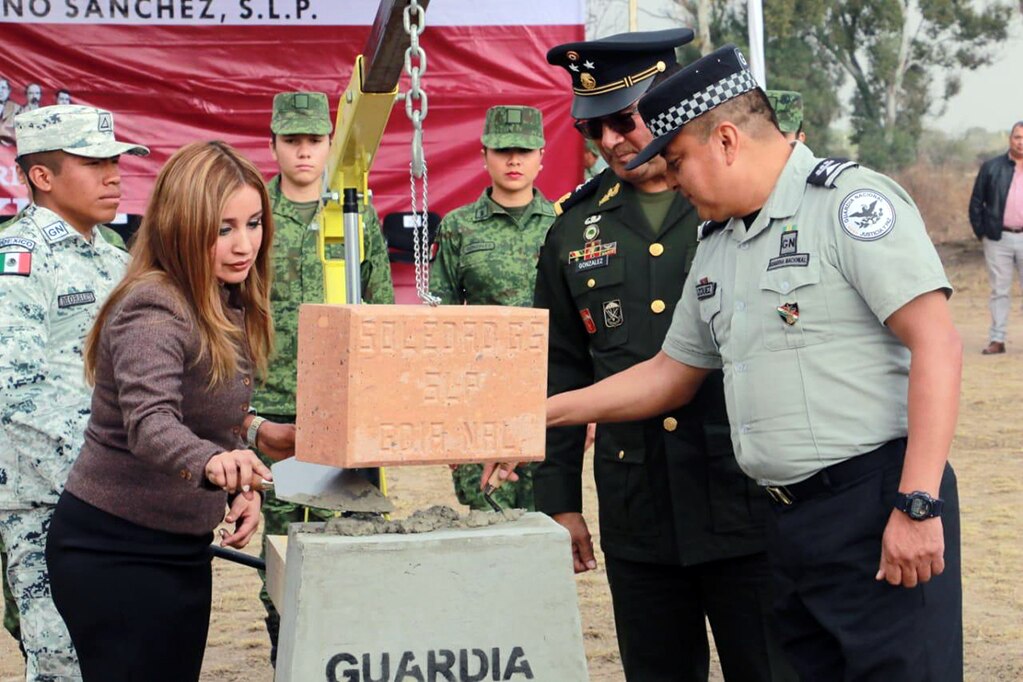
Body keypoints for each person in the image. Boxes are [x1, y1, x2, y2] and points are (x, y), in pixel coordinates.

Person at [492, 44, 963, 680]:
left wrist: (917, 503)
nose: (675, 180)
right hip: (785, 524)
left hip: (874, 505)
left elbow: (937, 343)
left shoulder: (847, 206)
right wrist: (538, 415)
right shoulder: (722, 242)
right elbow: (670, 373)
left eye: (679, 161)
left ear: (727, 140)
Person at [530, 30, 793, 681]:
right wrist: (559, 499)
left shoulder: (731, 201)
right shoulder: (572, 228)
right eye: (595, 129)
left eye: (627, 118)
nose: (614, 140)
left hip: (744, 495)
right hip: (636, 504)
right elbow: (560, 364)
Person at [45, 140, 290, 681]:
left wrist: (240, 470)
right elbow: (151, 422)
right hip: (115, 551)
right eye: (223, 228)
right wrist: (212, 465)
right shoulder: (154, 305)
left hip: (177, 546)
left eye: (253, 223)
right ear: (181, 224)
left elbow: (199, 411)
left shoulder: (220, 296)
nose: (243, 244)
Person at [0, 104, 147, 681]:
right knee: (63, 660)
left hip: (114, 496)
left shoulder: (114, 259)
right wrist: (103, 471)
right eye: (93, 163)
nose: (114, 175)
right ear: (42, 176)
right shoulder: (19, 262)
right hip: (45, 499)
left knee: (119, 651)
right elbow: (11, 392)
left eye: (115, 160)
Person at [252, 90, 395, 664]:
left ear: (330, 144)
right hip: (276, 415)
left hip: (346, 415)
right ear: (274, 145)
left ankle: (347, 662)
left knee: (355, 548)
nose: (305, 153)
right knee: (281, 561)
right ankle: (286, 661)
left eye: (315, 140)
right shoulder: (250, 216)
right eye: (293, 141)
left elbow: (380, 311)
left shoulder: (354, 212)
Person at [431, 104, 555, 511]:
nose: (514, 159)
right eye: (503, 150)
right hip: (477, 396)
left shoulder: (563, 224)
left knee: (547, 519)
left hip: (548, 395)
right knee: (486, 515)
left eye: (524, 149)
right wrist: (443, 412)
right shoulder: (458, 227)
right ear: (484, 155)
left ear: (542, 155)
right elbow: (440, 321)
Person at [969, 120, 1023, 354]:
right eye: (1017, 137)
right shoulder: (992, 167)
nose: (1021, 142)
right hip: (998, 238)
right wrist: (983, 232)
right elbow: (976, 202)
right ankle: (997, 339)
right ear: (1010, 139)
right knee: (999, 290)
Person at [0, 78, 19, 145]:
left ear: (9, 90)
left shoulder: (17, 108)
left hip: (9, 149)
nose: (0, 91)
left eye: (3, 88)